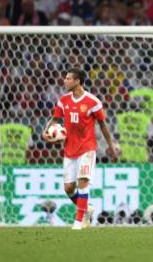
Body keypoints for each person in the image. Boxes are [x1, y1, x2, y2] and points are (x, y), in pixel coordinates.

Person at [44, 68, 119, 230]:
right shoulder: (63, 101)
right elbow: (56, 118)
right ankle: (86, 208)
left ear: (77, 81)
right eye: (65, 78)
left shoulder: (93, 102)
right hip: (69, 149)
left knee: (83, 182)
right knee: (69, 188)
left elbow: (103, 125)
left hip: (87, 148)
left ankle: (79, 221)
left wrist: (111, 147)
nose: (64, 81)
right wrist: (47, 131)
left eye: (68, 78)